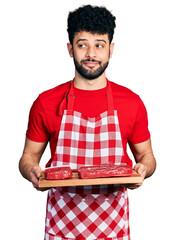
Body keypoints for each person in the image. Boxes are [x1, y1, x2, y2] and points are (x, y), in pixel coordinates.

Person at [19, 4, 156, 240]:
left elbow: (148, 157)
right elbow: (28, 157)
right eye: (82, 44)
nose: (91, 53)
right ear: (70, 49)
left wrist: (143, 170)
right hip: (62, 228)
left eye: (99, 45)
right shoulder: (45, 102)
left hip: (113, 229)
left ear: (111, 49)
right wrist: (31, 170)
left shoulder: (132, 102)